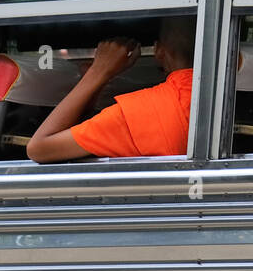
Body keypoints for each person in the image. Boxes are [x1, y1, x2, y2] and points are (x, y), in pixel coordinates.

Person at [27, 17, 196, 163]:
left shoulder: (139, 113)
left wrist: (99, 71)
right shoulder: (218, 98)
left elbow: (40, 148)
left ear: (158, 51)